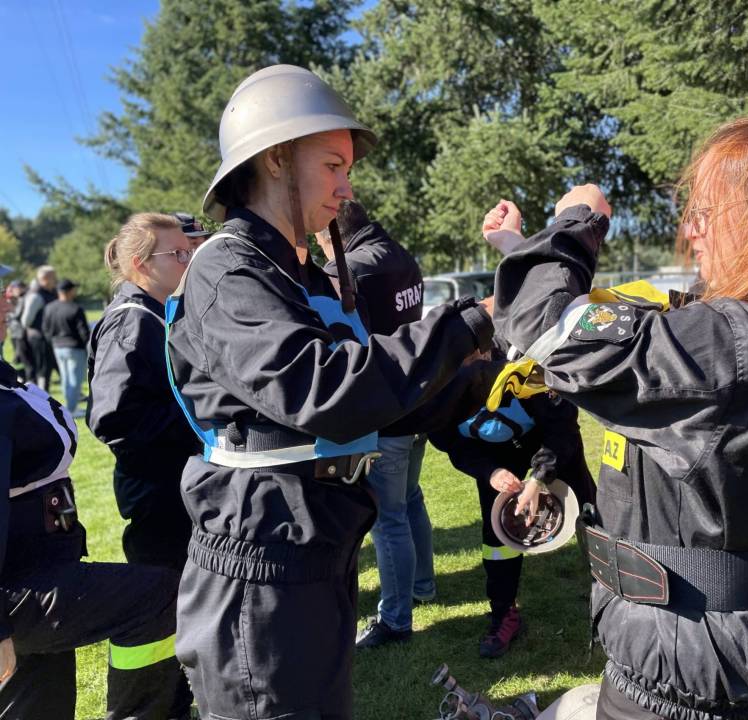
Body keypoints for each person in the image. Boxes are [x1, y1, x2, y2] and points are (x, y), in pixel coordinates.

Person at [486, 111, 748, 720]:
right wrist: (518, 253)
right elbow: (650, 324)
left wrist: (577, 221)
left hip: (686, 664)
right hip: (731, 639)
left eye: (706, 211)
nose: (690, 229)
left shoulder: (731, 347)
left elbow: (550, 331)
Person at [165, 64, 494, 720]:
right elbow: (324, 390)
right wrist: (467, 324)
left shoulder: (302, 276)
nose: (347, 188)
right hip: (259, 566)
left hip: (317, 547)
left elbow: (389, 400)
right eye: (333, 166)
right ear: (277, 159)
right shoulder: (227, 270)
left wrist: (499, 371)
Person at [0, 293, 184, 720]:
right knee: (157, 595)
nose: (8, 300)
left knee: (40, 702)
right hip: (19, 584)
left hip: (38, 565)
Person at [87, 213, 198, 718]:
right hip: (158, 494)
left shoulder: (157, 311)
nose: (187, 260)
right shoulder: (132, 319)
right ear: (139, 264)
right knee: (159, 610)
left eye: (188, 251)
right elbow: (113, 418)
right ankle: (152, 707)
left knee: (181, 603)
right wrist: (195, 413)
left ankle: (176, 700)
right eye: (176, 254)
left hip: (173, 487)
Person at [313, 200, 435, 650]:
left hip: (384, 408)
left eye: (320, 238)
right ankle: (422, 586)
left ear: (332, 234)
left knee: (389, 518)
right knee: (410, 499)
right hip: (418, 400)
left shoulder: (349, 270)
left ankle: (396, 619)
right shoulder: (402, 257)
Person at [430, 338, 595, 659]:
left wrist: (538, 477)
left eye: (473, 360)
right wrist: (489, 472)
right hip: (493, 457)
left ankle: (614, 592)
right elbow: (449, 441)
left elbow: (561, 428)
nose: (467, 372)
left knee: (591, 515)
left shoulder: (523, 361)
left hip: (546, 443)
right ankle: (503, 613)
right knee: (498, 537)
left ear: (484, 350)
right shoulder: (438, 385)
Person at [41, 278, 89, 417]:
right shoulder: (76, 308)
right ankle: (72, 409)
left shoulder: (49, 307)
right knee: (75, 380)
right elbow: (84, 332)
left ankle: (70, 407)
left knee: (66, 379)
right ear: (70, 291)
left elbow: (46, 329)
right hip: (75, 347)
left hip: (58, 347)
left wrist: (53, 341)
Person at [19, 266, 57, 390]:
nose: (56, 280)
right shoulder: (36, 295)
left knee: (47, 368)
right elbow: (26, 321)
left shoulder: (49, 292)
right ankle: (41, 395)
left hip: (46, 337)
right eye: (53, 277)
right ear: (45, 279)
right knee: (42, 370)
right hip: (38, 338)